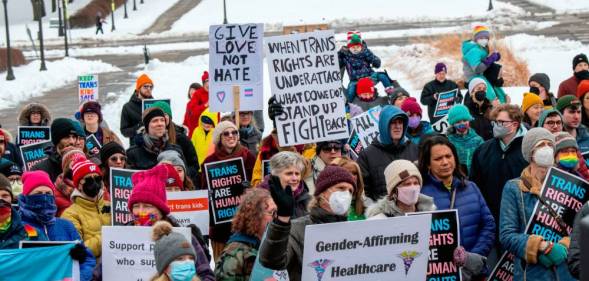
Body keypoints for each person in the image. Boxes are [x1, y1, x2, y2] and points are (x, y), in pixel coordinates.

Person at [499, 128, 575, 281]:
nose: (546, 148)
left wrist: (565, 245)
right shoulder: (514, 188)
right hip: (532, 273)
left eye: (549, 144)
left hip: (566, 271)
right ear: (531, 152)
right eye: (541, 145)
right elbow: (507, 235)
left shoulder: (567, 185)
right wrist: (542, 246)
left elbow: (578, 229)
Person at [258, 166, 356, 281]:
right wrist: (282, 219)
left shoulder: (353, 231)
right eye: (341, 188)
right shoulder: (296, 229)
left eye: (350, 191)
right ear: (323, 192)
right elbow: (271, 260)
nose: (346, 195)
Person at [418, 135, 495, 280]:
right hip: (442, 274)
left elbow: (488, 224)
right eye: (438, 159)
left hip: (475, 271)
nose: (445, 162)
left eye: (448, 156)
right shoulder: (421, 195)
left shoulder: (471, 187)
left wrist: (473, 257)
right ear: (428, 164)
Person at [129, 164, 214, 280]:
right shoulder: (120, 236)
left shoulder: (183, 235)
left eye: (147, 206)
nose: (140, 211)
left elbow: (207, 275)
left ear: (161, 210)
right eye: (136, 206)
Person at [19, 170, 96, 281]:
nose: (44, 197)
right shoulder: (18, 227)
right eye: (38, 194)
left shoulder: (66, 225)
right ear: (26, 196)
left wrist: (79, 277)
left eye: (48, 193)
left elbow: (88, 261)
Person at [201, 121, 256, 260]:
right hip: (220, 231)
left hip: (245, 226)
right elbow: (202, 192)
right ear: (219, 137)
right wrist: (209, 195)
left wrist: (250, 187)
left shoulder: (248, 157)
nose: (231, 136)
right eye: (226, 133)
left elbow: (259, 185)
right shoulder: (209, 162)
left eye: (234, 132)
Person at [470, 104, 527, 222]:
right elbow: (475, 185)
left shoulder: (528, 149)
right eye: (495, 122)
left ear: (515, 124)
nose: (496, 126)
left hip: (522, 216)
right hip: (491, 216)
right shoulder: (483, 150)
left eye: (501, 122)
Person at [357, 105, 419, 202]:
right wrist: (375, 212)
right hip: (383, 214)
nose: (398, 126)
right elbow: (363, 192)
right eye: (393, 122)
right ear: (384, 125)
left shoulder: (415, 149)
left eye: (400, 122)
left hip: (411, 211)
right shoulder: (367, 155)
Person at [215, 189, 276, 280]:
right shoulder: (234, 254)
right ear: (255, 216)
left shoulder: (272, 244)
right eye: (272, 213)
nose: (276, 217)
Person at [61, 159, 111, 258]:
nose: (94, 183)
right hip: (93, 269)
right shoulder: (70, 214)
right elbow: (79, 250)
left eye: (97, 179)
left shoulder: (111, 206)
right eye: (88, 180)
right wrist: (109, 237)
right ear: (78, 185)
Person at [365, 159, 435, 218]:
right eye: (407, 184)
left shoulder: (430, 214)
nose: (413, 188)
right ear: (394, 190)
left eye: (416, 183)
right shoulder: (380, 219)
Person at [151, 101, 200, 184]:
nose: (160, 121)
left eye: (164, 115)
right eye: (156, 118)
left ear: (169, 117)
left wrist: (182, 174)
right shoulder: (145, 141)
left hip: (179, 188)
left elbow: (194, 165)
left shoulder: (182, 138)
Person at [338, 31, 391, 102]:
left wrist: (371, 57)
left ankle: (390, 93)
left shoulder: (365, 52)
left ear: (361, 46)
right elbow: (339, 64)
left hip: (370, 76)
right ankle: (349, 105)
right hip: (355, 80)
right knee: (350, 93)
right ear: (349, 47)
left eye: (357, 47)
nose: (355, 49)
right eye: (353, 47)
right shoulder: (345, 55)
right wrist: (339, 54)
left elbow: (377, 63)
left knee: (383, 76)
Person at [462, 25, 507, 105]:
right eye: (481, 38)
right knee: (491, 94)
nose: (484, 40)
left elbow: (483, 61)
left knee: (498, 89)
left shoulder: (481, 48)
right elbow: (477, 68)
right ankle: (495, 107)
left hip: (481, 75)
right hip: (473, 77)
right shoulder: (474, 51)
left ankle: (503, 104)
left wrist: (493, 57)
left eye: (486, 38)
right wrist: (490, 59)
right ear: (476, 39)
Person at [258, 151, 310, 218]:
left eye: (297, 174)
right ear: (275, 174)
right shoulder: (260, 200)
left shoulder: (306, 197)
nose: (295, 178)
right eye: (289, 173)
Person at [446, 104, 484, 174]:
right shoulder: (448, 141)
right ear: (453, 124)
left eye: (465, 120)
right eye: (458, 122)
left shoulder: (478, 140)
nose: (462, 123)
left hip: (475, 179)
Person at [121, 73, 154, 144]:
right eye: (145, 86)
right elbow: (124, 131)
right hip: (137, 147)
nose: (149, 89)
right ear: (138, 89)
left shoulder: (156, 104)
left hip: (154, 144)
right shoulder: (127, 107)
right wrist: (137, 128)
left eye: (151, 87)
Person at [54, 148, 86, 216]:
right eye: (76, 163)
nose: (81, 167)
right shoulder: (55, 193)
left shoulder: (96, 185)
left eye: (83, 163)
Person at [184, 71, 210, 137]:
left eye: (194, 90)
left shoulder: (204, 103)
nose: (192, 92)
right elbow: (186, 120)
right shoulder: (188, 104)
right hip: (191, 134)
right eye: (191, 90)